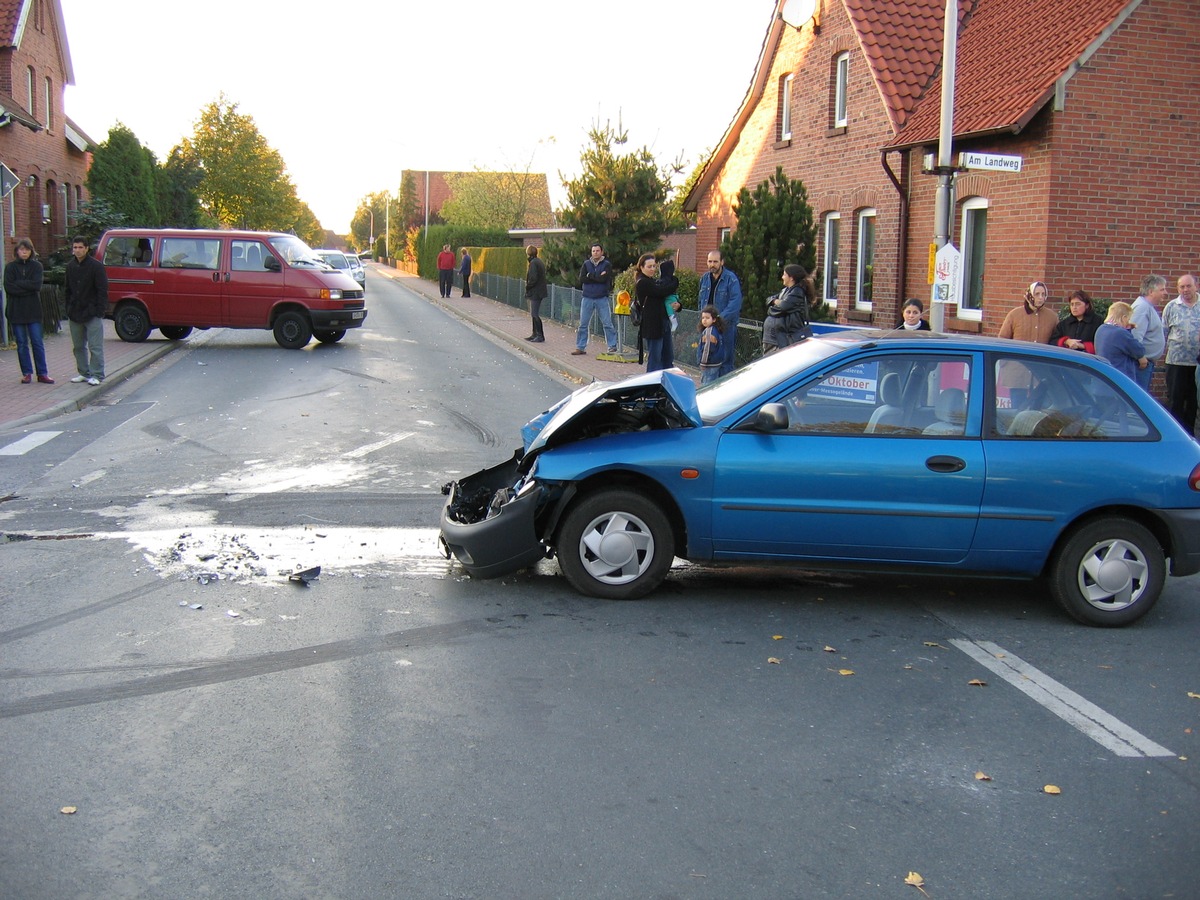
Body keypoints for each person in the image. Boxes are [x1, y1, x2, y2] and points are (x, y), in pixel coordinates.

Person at [997, 281, 1057, 408]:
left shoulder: (1052, 317)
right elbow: (1002, 339)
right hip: (1017, 370)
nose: (1040, 297)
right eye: (1037, 294)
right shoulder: (1015, 314)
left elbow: (1055, 341)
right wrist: (1007, 363)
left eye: (1043, 294)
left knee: (1038, 408)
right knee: (1017, 407)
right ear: (1029, 295)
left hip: (1040, 372)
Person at [4, 238, 53, 383]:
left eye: (27, 250)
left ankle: (42, 373)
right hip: (16, 310)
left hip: (33, 310)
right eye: (21, 250)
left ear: (31, 251)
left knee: (37, 342)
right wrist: (26, 287)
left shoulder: (36, 266)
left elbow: (36, 286)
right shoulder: (10, 268)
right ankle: (27, 373)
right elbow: (9, 287)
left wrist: (19, 285)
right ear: (17, 251)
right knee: (21, 343)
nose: (24, 252)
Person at [64, 235, 108, 385]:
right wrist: (68, 308)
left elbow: (102, 290)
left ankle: (97, 374)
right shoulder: (70, 266)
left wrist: (100, 311)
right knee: (78, 346)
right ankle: (83, 372)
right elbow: (67, 289)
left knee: (95, 346)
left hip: (92, 312)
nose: (77, 250)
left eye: (80, 247)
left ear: (86, 248)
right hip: (75, 313)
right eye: (75, 247)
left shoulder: (96, 266)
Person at [1161, 273, 1200, 432]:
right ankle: (1174, 432)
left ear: (1196, 286)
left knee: (1193, 401)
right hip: (1176, 362)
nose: (1185, 290)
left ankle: (1190, 433)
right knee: (1175, 400)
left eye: (1188, 286)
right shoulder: (1171, 306)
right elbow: (1163, 332)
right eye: (1181, 287)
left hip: (1197, 363)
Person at [697, 250, 742, 376]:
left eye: (715, 262)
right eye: (710, 261)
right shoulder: (704, 278)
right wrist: (703, 319)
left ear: (722, 262)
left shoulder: (730, 279)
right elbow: (700, 301)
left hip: (725, 326)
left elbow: (735, 302)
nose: (712, 264)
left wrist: (719, 319)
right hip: (707, 326)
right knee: (707, 359)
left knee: (725, 362)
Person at [633, 253, 678, 372]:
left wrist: (678, 306)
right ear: (641, 267)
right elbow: (662, 291)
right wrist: (675, 281)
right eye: (649, 266)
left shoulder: (652, 281)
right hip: (652, 325)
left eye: (654, 266)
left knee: (667, 356)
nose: (653, 269)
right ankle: (652, 385)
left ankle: (666, 384)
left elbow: (666, 297)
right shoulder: (642, 282)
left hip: (663, 322)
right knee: (655, 359)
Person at [574, 243, 618, 356]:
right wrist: (596, 276)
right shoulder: (586, 264)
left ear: (602, 252)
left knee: (607, 323)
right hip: (587, 297)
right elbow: (582, 278)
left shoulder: (606, 264)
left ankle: (612, 346)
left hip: (601, 298)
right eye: (593, 251)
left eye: (597, 251)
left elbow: (604, 279)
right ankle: (580, 347)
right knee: (583, 324)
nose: (595, 253)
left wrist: (590, 276)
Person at [762, 264, 814, 352]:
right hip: (774, 338)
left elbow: (782, 307)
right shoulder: (785, 291)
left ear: (791, 278)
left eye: (784, 275)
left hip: (785, 339)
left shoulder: (797, 292)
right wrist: (775, 301)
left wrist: (773, 307)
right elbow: (769, 300)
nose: (782, 277)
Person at [1129, 275, 1167, 392]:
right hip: (1140, 365)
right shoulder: (1142, 308)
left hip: (1144, 364)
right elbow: (1134, 335)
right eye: (1162, 289)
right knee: (1138, 398)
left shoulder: (1147, 307)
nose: (1165, 292)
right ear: (1151, 291)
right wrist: (1140, 357)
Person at [1094, 301, 1146, 381]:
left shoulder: (1101, 329)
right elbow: (1139, 351)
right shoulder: (1121, 333)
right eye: (1128, 319)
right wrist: (1127, 330)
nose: (1128, 321)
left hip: (1104, 376)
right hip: (1120, 378)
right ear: (1124, 317)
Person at [1048, 289, 1100, 353]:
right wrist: (1066, 341)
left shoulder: (1098, 322)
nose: (1074, 307)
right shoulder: (1064, 324)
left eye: (1078, 304)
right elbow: (1053, 342)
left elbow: (1102, 345)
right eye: (1072, 304)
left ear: (1087, 305)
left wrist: (1083, 346)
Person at [696, 305, 725, 385]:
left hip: (709, 365)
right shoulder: (716, 330)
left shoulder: (709, 332)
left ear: (714, 319)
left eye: (707, 318)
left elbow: (707, 349)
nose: (704, 320)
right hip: (716, 363)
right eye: (703, 318)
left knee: (707, 385)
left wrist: (703, 363)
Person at [524, 245, 547, 343]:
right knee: (533, 314)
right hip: (539, 291)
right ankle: (534, 334)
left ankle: (540, 335)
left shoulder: (533, 263)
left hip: (536, 292)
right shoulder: (538, 261)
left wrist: (528, 286)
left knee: (534, 313)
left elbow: (533, 278)